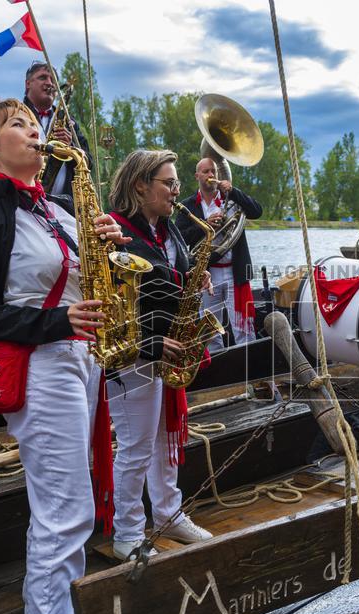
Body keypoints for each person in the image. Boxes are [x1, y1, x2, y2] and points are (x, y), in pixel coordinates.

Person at [0, 98, 128, 614]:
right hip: (42, 364)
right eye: (17, 124)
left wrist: (107, 250)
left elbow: (82, 286)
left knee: (71, 508)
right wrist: (56, 321)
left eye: (33, 122)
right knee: (64, 511)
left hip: (80, 361)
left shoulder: (58, 211)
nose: (34, 131)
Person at [105, 149, 215, 562]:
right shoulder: (115, 231)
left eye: (176, 184)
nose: (176, 191)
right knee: (135, 445)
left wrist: (193, 276)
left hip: (170, 349)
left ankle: (169, 513)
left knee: (165, 437)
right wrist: (150, 345)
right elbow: (111, 302)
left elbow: (169, 280)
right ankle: (128, 532)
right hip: (136, 355)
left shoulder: (169, 229)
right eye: (168, 183)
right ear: (140, 185)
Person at [174, 158, 263, 350]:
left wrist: (234, 191)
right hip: (206, 275)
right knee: (210, 329)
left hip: (235, 273)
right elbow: (179, 238)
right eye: (205, 171)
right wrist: (204, 224)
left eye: (213, 171)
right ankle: (220, 373)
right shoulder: (187, 206)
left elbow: (257, 211)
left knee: (243, 328)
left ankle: (250, 375)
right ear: (197, 176)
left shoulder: (230, 199)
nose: (210, 175)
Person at [23, 61, 92, 199]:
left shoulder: (69, 122)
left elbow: (88, 163)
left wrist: (70, 147)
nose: (50, 83)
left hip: (62, 207)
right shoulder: (15, 115)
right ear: (28, 83)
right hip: (22, 200)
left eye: (53, 80)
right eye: (43, 77)